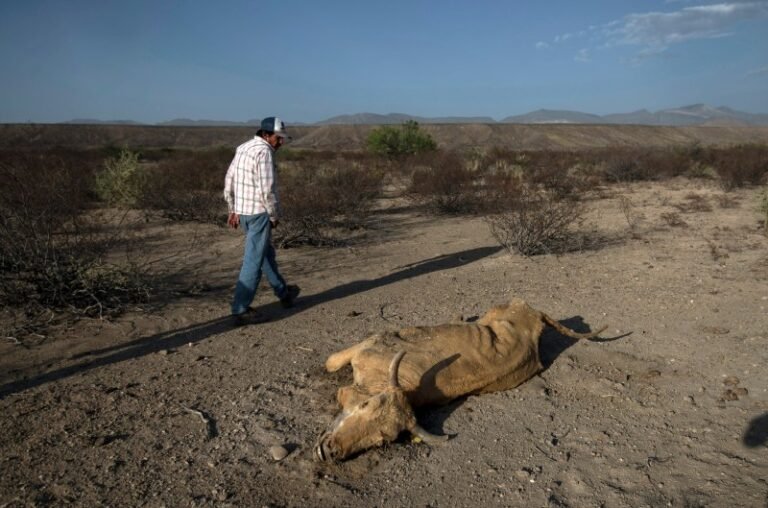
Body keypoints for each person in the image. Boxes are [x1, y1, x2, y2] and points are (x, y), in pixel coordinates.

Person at [224, 116, 300, 325]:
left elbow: (229, 178)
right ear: (266, 135)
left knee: (265, 254)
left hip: (244, 212)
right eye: (278, 138)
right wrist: (274, 215)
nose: (281, 142)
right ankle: (240, 309)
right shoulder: (264, 152)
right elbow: (267, 190)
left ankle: (284, 294)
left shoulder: (243, 147)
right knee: (253, 261)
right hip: (259, 213)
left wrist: (232, 208)